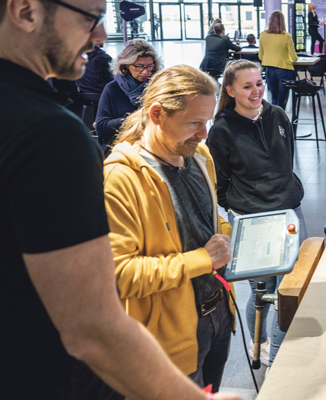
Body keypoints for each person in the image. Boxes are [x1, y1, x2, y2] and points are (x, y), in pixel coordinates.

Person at [0, 0, 240, 397]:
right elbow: (94, 324)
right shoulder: (50, 136)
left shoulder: (200, 156)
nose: (100, 36)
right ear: (25, 12)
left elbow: (210, 216)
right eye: (91, 17)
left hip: (210, 315)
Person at [104, 64, 238, 392]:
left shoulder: (200, 156)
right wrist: (202, 260)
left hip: (219, 311)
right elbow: (122, 276)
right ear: (157, 114)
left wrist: (232, 235)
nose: (204, 133)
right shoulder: (121, 179)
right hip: (169, 336)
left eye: (206, 121)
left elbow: (210, 217)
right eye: (194, 123)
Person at [206, 60, 306, 367]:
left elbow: (286, 161)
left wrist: (284, 190)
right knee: (263, 292)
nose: (256, 91)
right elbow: (219, 184)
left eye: (259, 83)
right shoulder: (221, 131)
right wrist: (244, 203)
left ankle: (277, 356)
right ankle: (261, 345)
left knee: (288, 290)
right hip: (251, 220)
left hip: (288, 212)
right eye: (247, 86)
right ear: (231, 90)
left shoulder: (277, 115)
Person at [96, 39, 161, 151]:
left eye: (149, 66)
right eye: (139, 66)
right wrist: (137, 119)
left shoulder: (157, 86)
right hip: (121, 148)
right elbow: (101, 127)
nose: (145, 72)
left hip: (152, 147)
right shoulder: (112, 88)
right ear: (126, 65)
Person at [259, 10, 298, 109]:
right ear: (282, 22)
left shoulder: (263, 35)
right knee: (283, 98)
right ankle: (281, 117)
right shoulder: (286, 36)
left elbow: (260, 56)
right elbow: (294, 58)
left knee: (274, 97)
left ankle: (275, 119)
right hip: (285, 70)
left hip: (270, 70)